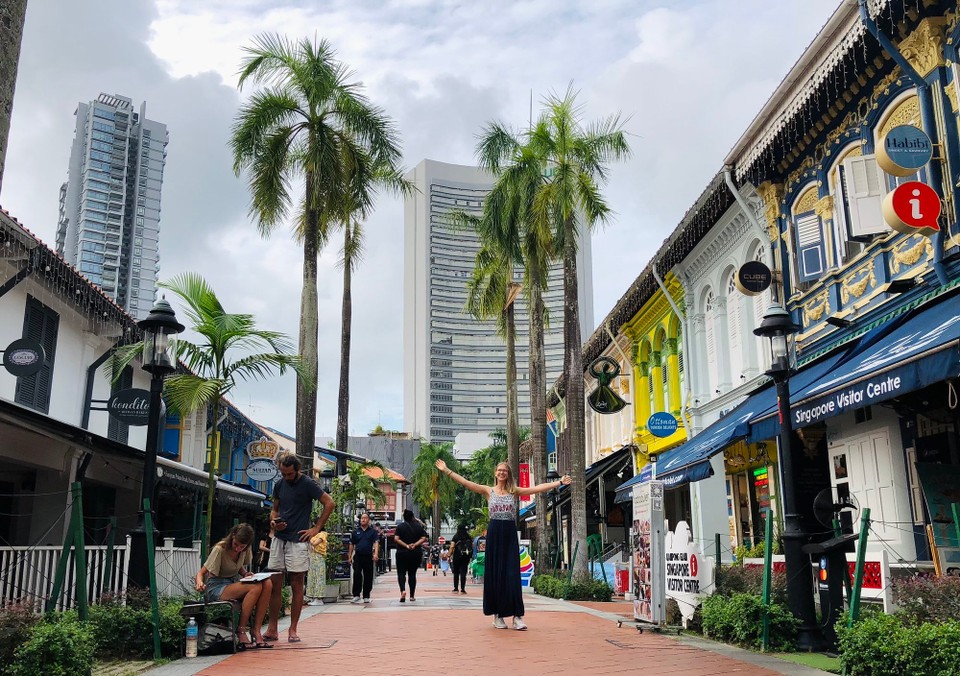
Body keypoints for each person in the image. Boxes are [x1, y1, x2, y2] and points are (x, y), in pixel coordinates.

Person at [435, 458, 571, 631]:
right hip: (494, 533)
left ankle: (517, 617)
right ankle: (497, 616)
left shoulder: (514, 491)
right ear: (495, 473)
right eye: (499, 470)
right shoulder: (488, 490)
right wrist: (446, 470)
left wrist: (559, 482)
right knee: (495, 574)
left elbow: (537, 488)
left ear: (508, 474)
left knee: (512, 574)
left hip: (509, 533)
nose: (501, 472)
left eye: (504, 471)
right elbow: (466, 483)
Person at [264, 453, 335, 643]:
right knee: (275, 584)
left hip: (298, 539)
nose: (286, 477)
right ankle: (272, 628)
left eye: (289, 474)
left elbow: (329, 503)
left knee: (297, 584)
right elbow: (275, 509)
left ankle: (293, 629)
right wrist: (273, 522)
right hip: (279, 538)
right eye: (283, 473)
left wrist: (316, 528)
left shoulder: (308, 484)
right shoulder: (279, 484)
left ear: (297, 470)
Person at [194, 523, 274, 649]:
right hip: (216, 587)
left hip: (232, 583)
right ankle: (241, 630)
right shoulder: (220, 549)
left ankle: (256, 630)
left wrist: (245, 574)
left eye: (241, 547)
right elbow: (201, 572)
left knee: (267, 583)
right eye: (236, 544)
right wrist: (199, 582)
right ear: (233, 536)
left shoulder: (245, 550)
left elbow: (238, 566)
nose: (237, 549)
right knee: (255, 587)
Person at [393, 509, 428, 603]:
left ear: (404, 517)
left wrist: (406, 545)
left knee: (401, 573)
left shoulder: (400, 527)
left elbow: (396, 538)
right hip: (415, 553)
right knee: (412, 574)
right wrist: (415, 545)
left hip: (402, 552)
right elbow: (424, 538)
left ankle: (403, 591)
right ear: (412, 517)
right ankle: (412, 595)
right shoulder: (418, 527)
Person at [348, 513, 379, 603]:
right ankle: (356, 595)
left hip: (368, 556)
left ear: (368, 520)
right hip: (358, 556)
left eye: (365, 518)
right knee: (357, 574)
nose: (363, 520)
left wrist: (376, 554)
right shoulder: (355, 532)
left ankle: (366, 595)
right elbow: (351, 544)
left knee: (368, 576)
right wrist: (349, 556)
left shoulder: (373, 532)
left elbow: (376, 543)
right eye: (362, 518)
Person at [449, 524, 472, 594]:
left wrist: (449, 554)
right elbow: (472, 546)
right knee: (463, 573)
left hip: (457, 556)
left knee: (456, 572)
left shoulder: (456, 536)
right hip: (466, 556)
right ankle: (463, 589)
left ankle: (456, 589)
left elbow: (452, 546)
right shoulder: (468, 536)